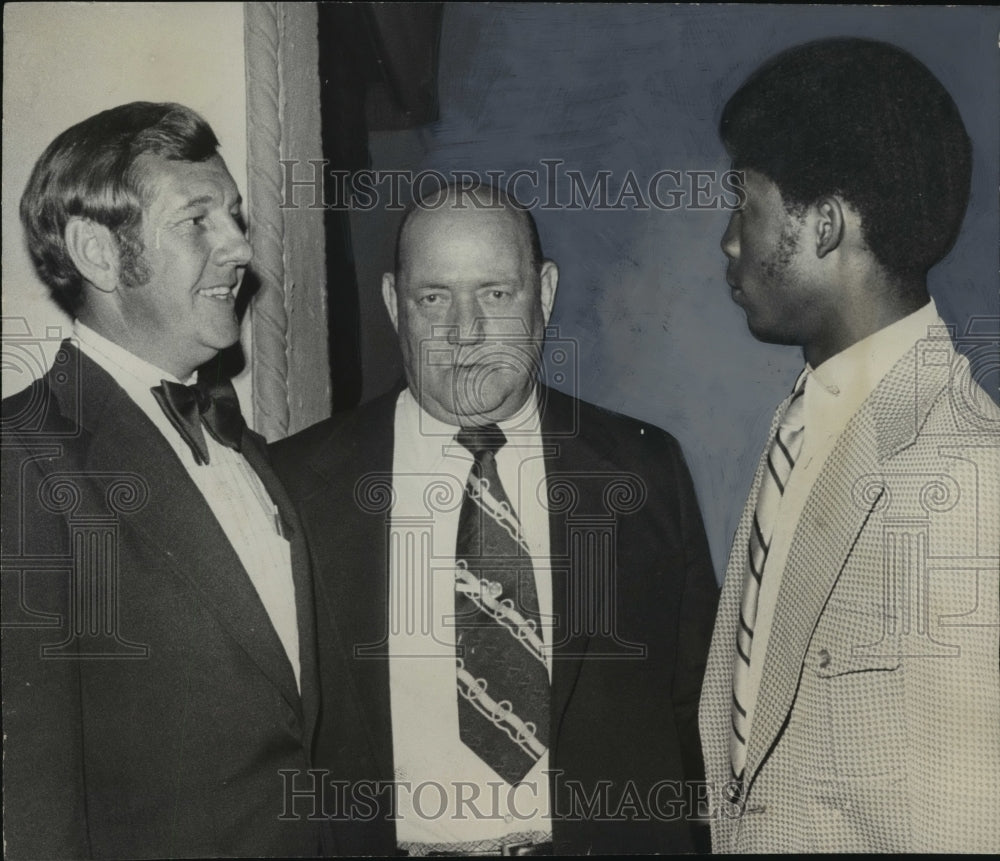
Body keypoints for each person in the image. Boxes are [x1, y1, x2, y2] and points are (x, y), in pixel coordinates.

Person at [271, 182, 719, 855]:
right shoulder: (297, 486)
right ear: (395, 303)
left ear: (544, 292)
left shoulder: (641, 473)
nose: (466, 331)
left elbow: (699, 716)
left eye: (496, 294)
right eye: (434, 298)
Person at [1, 103, 326, 858]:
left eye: (237, 219)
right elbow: (31, 795)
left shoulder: (249, 451)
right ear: (99, 252)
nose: (242, 247)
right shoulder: (23, 456)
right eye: (198, 221)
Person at [699, 37, 1000, 852]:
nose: (730, 241)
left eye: (743, 201)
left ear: (824, 224)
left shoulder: (967, 478)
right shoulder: (805, 425)